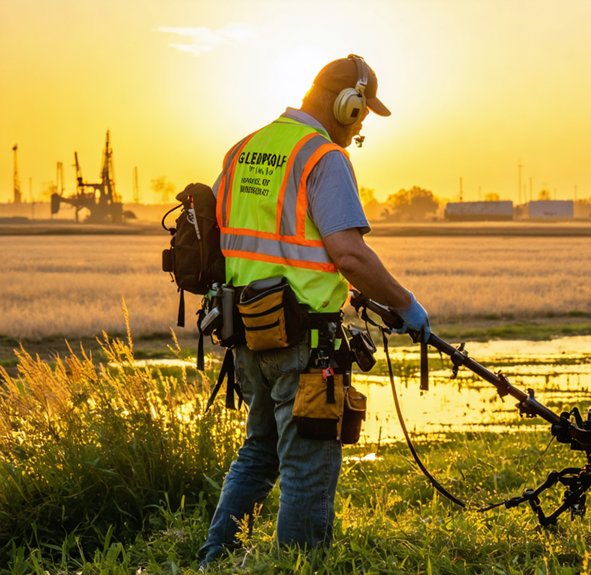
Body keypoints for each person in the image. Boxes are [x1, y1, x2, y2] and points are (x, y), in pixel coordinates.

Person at [198, 54, 429, 567]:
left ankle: (213, 559)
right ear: (346, 104)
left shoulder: (244, 149)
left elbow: (231, 242)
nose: (364, 123)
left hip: (246, 333)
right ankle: (300, 565)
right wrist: (404, 303)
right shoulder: (322, 157)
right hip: (303, 343)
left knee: (258, 453)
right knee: (308, 463)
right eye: (363, 110)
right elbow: (348, 253)